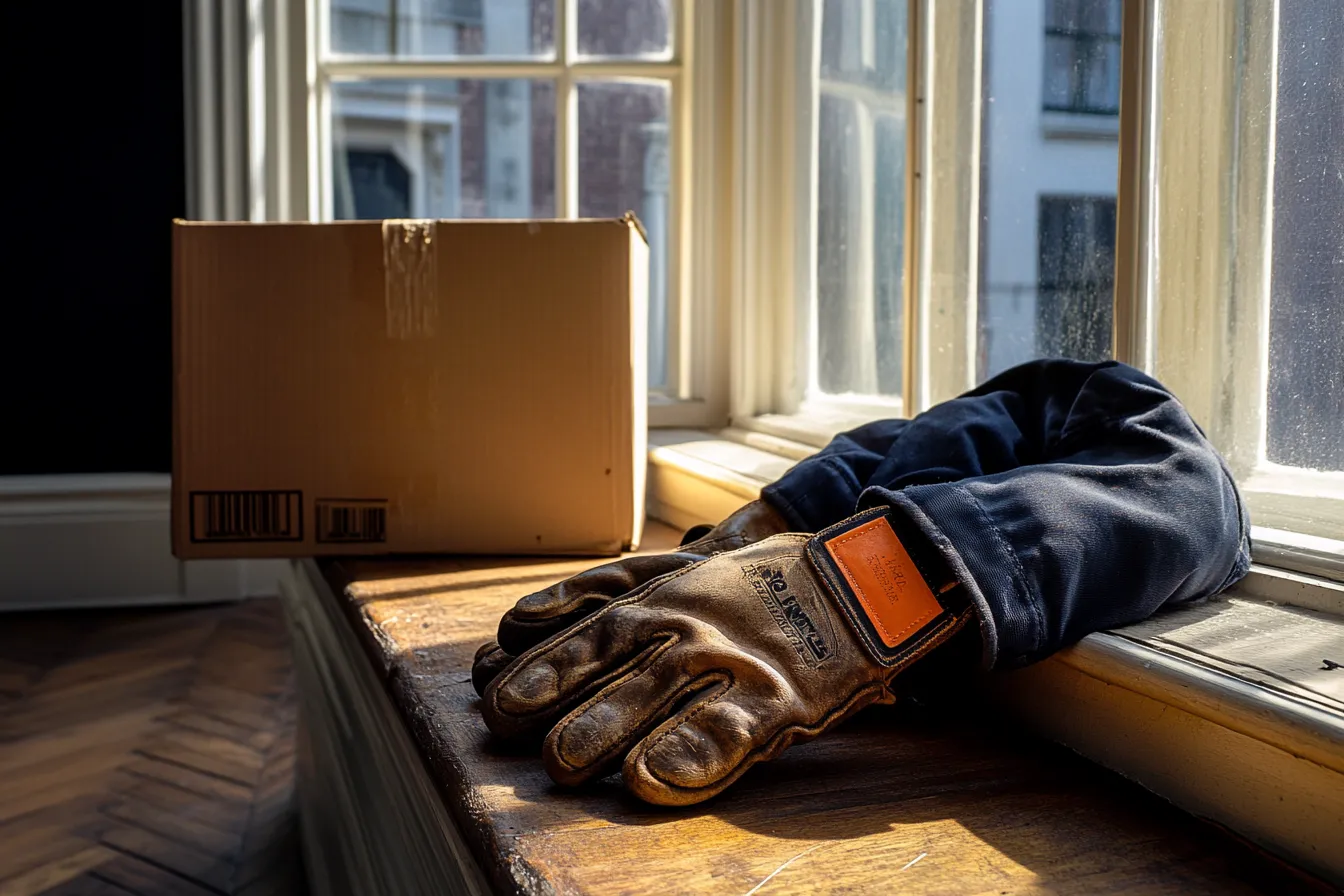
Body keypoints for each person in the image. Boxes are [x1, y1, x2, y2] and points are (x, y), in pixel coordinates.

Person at [471, 359, 1250, 806]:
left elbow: (1193, 496)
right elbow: (970, 430)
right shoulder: (1035, 422)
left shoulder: (1165, 463)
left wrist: (866, 582)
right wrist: (766, 530)